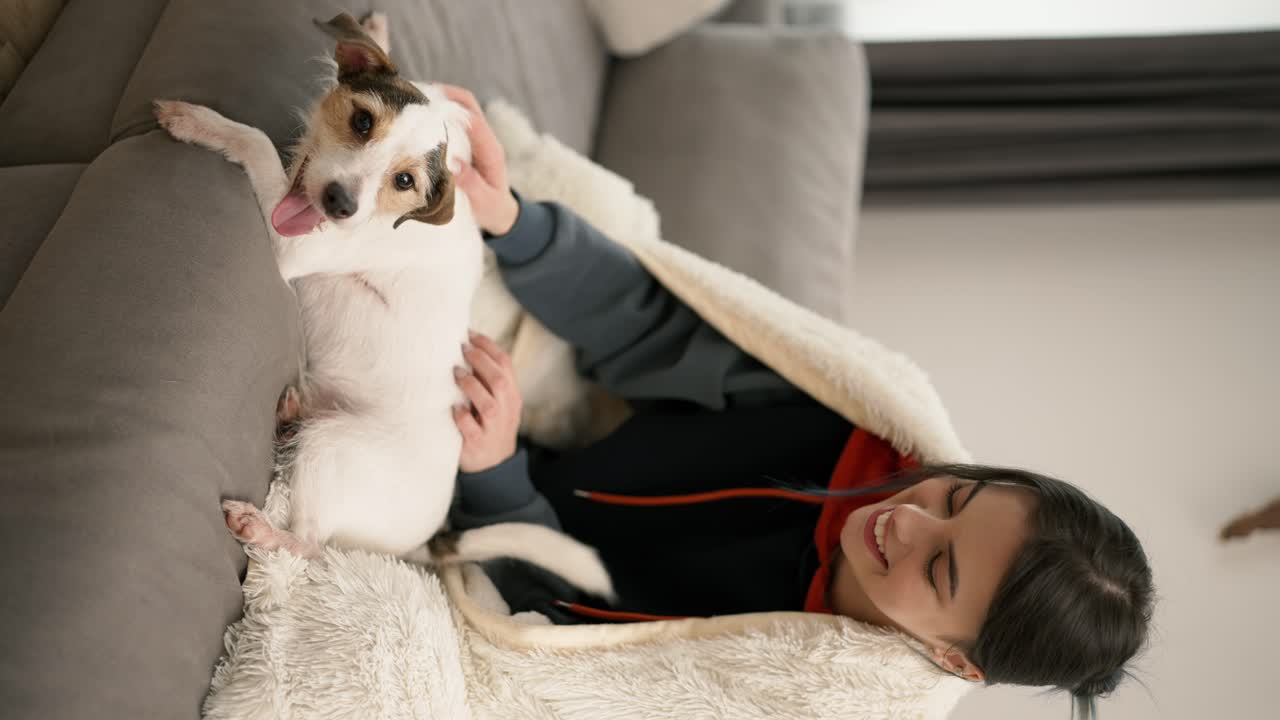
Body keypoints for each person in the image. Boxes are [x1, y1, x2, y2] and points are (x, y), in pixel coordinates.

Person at [439, 85, 1154, 718]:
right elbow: (651, 327)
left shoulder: (793, 690)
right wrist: (515, 224)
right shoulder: (847, 431)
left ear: (953, 660)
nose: (907, 519)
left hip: (490, 526)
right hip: (529, 441)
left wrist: (496, 476)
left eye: (940, 570)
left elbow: (561, 654)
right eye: (955, 499)